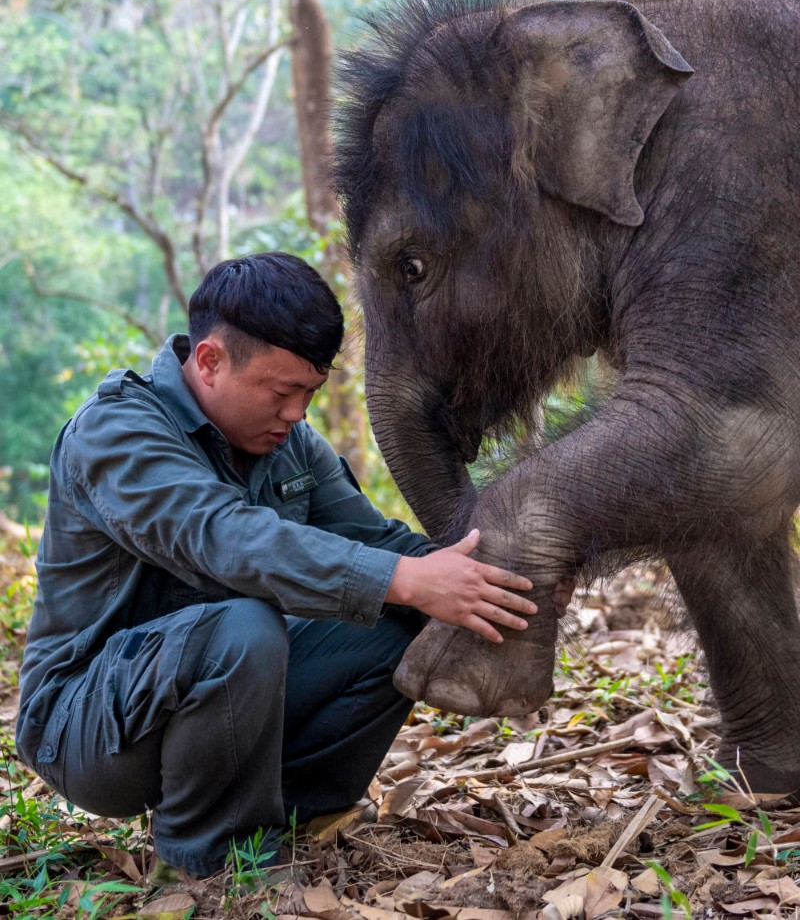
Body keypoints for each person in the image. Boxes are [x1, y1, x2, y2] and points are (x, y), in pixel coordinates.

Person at [16, 252, 544, 880]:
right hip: (85, 724)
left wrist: (485, 579)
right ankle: (207, 860)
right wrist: (406, 580)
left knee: (398, 614)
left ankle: (291, 815)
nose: (297, 414)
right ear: (209, 361)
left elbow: (372, 539)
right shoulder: (116, 431)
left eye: (310, 394)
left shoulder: (287, 443)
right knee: (247, 627)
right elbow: (220, 537)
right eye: (281, 392)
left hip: (216, 695)